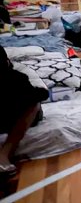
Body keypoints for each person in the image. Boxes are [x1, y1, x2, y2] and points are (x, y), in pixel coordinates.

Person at [0, 47, 48, 178]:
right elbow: (41, 94)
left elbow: (39, 94)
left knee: (31, 102)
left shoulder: (17, 76)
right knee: (34, 104)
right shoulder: (16, 77)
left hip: (10, 114)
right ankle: (5, 154)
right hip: (11, 117)